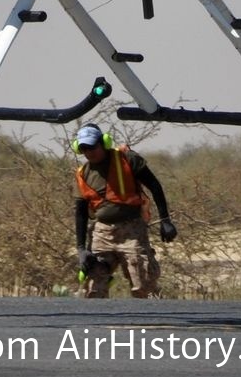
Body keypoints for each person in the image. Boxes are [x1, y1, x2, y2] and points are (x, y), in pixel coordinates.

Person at [72, 123, 177, 298]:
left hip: (132, 230)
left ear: (104, 142)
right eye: (84, 149)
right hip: (102, 233)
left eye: (92, 146)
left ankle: (150, 308)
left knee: (142, 286)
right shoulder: (83, 174)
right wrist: (81, 249)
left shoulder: (127, 159)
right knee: (93, 287)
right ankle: (99, 322)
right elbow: (80, 213)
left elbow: (155, 186)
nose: (89, 152)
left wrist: (165, 220)